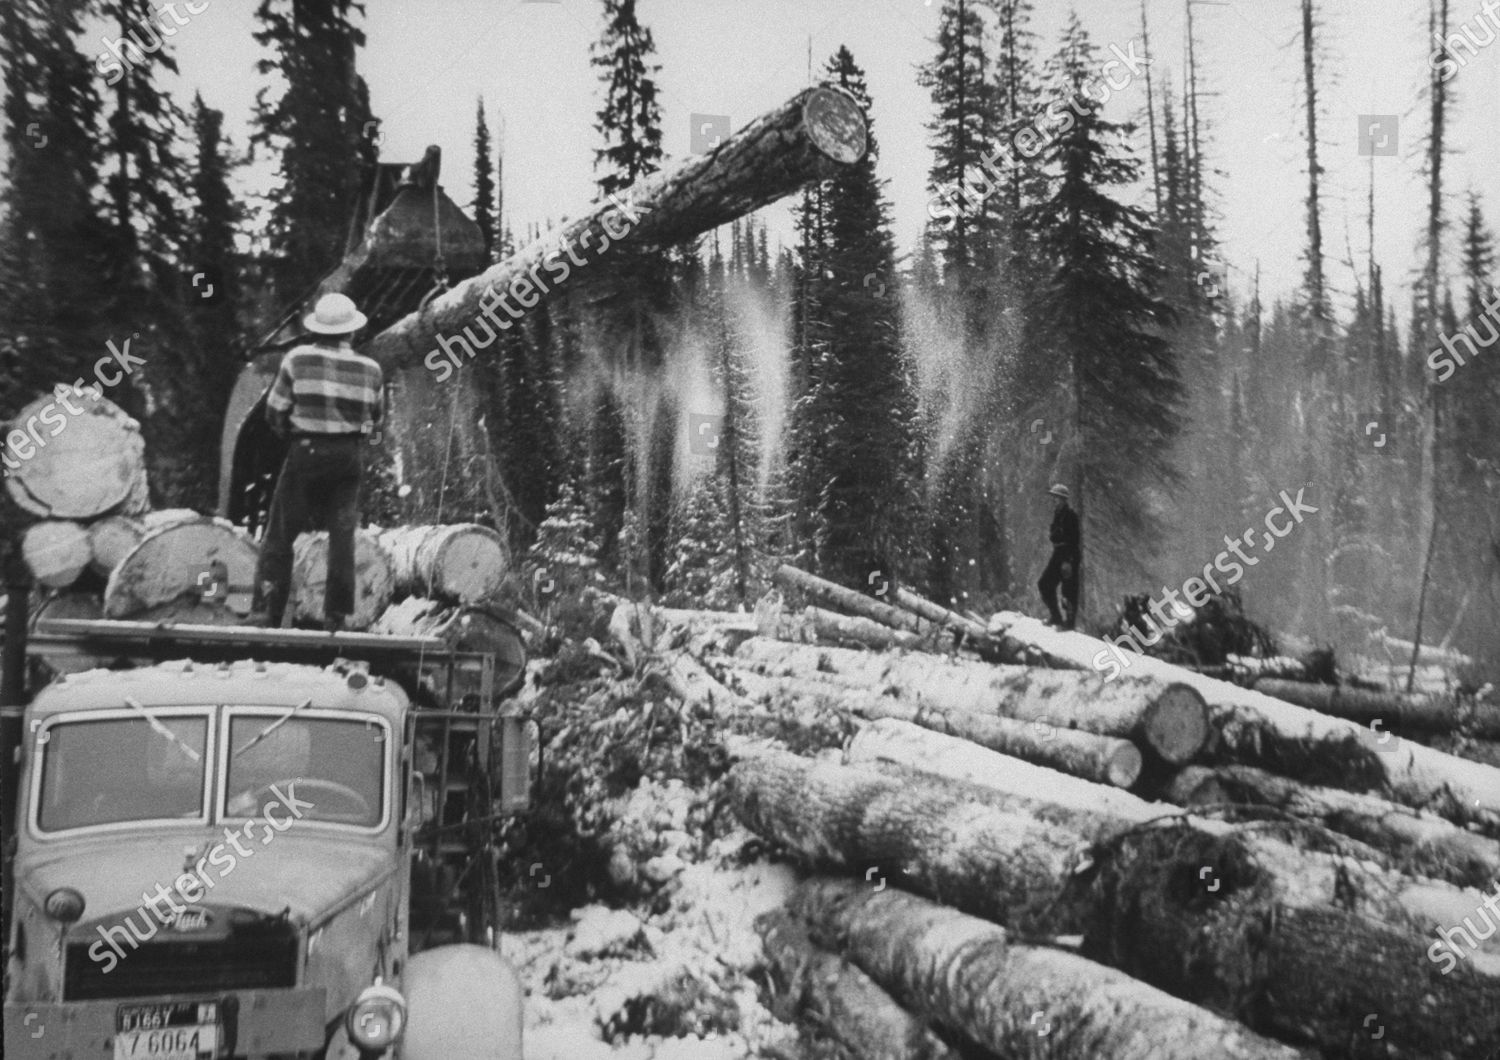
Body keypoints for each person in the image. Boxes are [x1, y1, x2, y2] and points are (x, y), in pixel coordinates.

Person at [250, 293, 383, 631]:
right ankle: (336, 616)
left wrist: (292, 435)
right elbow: (375, 420)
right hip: (348, 458)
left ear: (317, 330)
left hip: (306, 452)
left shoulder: (297, 359)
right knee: (342, 534)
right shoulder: (371, 369)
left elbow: (274, 411)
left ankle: (268, 609)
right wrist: (355, 438)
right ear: (351, 332)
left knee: (281, 533)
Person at [1037, 483, 1080, 630]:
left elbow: (1074, 540)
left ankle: (1069, 624)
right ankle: (1056, 617)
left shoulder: (1071, 516)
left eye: (1057, 498)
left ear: (1063, 499)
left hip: (1069, 555)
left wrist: (1068, 561)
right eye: (1053, 497)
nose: (1054, 500)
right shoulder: (1057, 513)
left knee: (1068, 592)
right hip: (1058, 554)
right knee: (1044, 584)